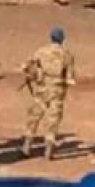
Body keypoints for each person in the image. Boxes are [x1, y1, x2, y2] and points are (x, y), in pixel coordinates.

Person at [22, 27, 77, 160]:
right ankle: (48, 151)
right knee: (53, 120)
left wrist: (33, 76)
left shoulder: (41, 51)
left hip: (41, 88)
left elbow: (27, 66)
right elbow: (70, 78)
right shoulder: (67, 55)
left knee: (34, 117)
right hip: (57, 90)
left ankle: (26, 147)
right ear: (62, 39)